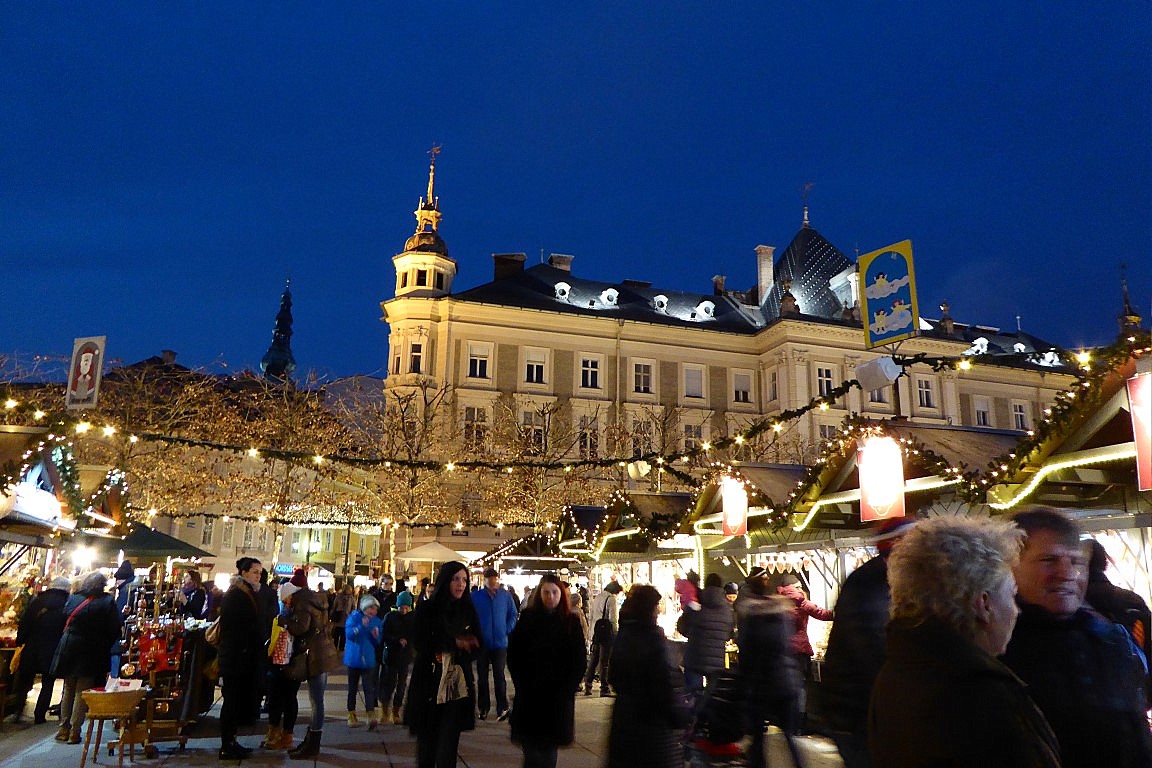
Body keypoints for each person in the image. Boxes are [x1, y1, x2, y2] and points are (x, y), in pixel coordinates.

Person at [869, 515, 1060, 768]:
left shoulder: (900, 671)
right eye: (1011, 596)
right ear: (984, 604)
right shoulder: (982, 696)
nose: (1017, 610)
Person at [1002, 508, 1152, 768]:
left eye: (1076, 561)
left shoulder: (1108, 639)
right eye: (1049, 560)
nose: (1067, 573)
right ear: (1009, 565)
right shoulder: (996, 649)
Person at [819, 517, 914, 768]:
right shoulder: (872, 585)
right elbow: (875, 650)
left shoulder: (879, 581)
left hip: (864, 711)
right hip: (860, 713)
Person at [406, 561, 481, 768]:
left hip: (456, 688)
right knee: (428, 747)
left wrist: (469, 647)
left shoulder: (468, 609)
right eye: (456, 579)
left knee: (448, 747)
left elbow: (478, 644)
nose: (461, 584)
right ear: (446, 580)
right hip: (429, 684)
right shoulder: (428, 608)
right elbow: (420, 642)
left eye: (464, 579)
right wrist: (454, 643)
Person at [507, 573, 587, 768]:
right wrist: (522, 684)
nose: (550, 596)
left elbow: (579, 660)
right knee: (532, 753)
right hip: (530, 696)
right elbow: (514, 655)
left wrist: (568, 688)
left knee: (548, 753)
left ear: (561, 594)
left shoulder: (571, 622)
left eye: (554, 592)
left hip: (557, 699)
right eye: (546, 592)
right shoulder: (528, 619)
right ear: (539, 594)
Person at [606, 584, 687, 768]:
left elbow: (613, 677)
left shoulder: (623, 635)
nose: (658, 610)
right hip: (652, 729)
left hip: (624, 722)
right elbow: (662, 688)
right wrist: (678, 717)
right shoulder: (654, 639)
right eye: (656, 606)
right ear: (649, 608)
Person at [733, 566, 801, 768]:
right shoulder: (782, 611)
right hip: (786, 681)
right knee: (789, 738)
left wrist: (743, 684)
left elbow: (746, 651)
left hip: (761, 685)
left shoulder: (750, 615)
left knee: (758, 739)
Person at [51, 571, 122, 745]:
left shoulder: (74, 598)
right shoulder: (106, 602)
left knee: (68, 688)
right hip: (90, 650)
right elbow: (114, 629)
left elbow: (64, 619)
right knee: (81, 692)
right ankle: (75, 731)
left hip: (69, 646)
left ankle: (63, 728)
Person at [284, 568, 343, 759]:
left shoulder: (302, 603)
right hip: (323, 651)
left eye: (286, 600)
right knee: (316, 699)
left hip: (316, 654)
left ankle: (313, 742)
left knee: (316, 700)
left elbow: (301, 627)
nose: (286, 603)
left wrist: (285, 620)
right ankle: (310, 740)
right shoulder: (317, 600)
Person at [1085, 538, 1152, 697]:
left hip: (1096, 691)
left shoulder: (1076, 603)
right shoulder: (1132, 600)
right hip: (1136, 689)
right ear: (1105, 564)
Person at [217, 557, 265, 759]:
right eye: (255, 571)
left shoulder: (246, 593)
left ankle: (231, 741)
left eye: (260, 572)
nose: (258, 575)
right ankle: (227, 744)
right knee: (231, 702)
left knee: (235, 701)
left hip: (240, 656)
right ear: (244, 573)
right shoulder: (237, 595)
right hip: (235, 657)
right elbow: (236, 627)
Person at [11, 576, 70, 724]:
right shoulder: (67, 604)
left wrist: (20, 641)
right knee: (48, 682)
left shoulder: (37, 601)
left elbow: (25, 622)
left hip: (32, 646)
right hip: (53, 648)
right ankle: (39, 715)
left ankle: (18, 711)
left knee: (25, 679)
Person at [471, 567, 518, 720]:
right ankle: (483, 708)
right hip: (482, 643)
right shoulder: (476, 597)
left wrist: (506, 629)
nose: (492, 584)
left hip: (500, 642)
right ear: (485, 581)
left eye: (494, 581)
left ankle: (502, 707)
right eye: (489, 581)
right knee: (482, 677)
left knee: (499, 676)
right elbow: (469, 616)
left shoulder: (505, 596)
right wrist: (475, 633)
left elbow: (513, 614)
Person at [262, 581, 303, 751]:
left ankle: (284, 734)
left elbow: (299, 633)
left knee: (285, 698)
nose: (286, 602)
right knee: (278, 698)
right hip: (280, 660)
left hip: (290, 661)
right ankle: (276, 733)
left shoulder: (298, 614)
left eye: (287, 598)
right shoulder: (285, 612)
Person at [682, 572, 734, 696]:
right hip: (716, 661)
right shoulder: (727, 610)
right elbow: (729, 634)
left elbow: (682, 627)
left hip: (694, 658)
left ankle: (693, 713)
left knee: (692, 697)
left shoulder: (696, 605)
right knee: (712, 699)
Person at [345, 594, 384, 729]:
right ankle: (351, 713)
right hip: (354, 658)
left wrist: (376, 636)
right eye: (371, 608)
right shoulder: (354, 617)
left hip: (368, 659)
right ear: (365, 608)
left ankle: (370, 714)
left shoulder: (377, 621)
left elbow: (378, 641)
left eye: (375, 609)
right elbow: (349, 635)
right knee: (352, 688)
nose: (373, 612)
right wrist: (361, 626)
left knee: (369, 688)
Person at [381, 589, 416, 724]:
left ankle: (396, 711)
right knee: (389, 684)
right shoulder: (390, 617)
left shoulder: (412, 618)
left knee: (401, 686)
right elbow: (384, 635)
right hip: (391, 656)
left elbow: (414, 635)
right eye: (402, 607)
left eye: (406, 607)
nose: (404, 610)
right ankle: (385, 710)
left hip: (405, 657)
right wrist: (396, 640)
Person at [583, 580, 622, 696]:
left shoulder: (598, 597)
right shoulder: (611, 599)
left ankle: (588, 685)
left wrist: (591, 634)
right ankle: (604, 688)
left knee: (594, 659)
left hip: (596, 632)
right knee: (605, 661)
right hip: (606, 634)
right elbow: (613, 619)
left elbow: (592, 616)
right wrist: (615, 634)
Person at [331, 584, 355, 652]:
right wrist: (332, 614)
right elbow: (334, 606)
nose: (350, 591)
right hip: (339, 617)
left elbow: (353, 607)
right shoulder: (338, 597)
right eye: (348, 590)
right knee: (336, 634)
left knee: (343, 635)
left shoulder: (351, 598)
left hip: (347, 618)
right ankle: (334, 646)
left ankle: (341, 647)